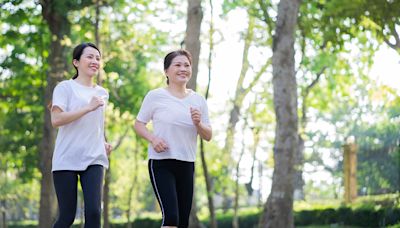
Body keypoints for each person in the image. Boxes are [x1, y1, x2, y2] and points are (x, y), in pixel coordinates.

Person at [134, 50, 212, 228]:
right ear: (166, 71)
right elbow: (139, 124)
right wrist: (153, 139)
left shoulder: (198, 100)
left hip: (187, 163)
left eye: (186, 65)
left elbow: (208, 136)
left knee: (183, 222)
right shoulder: (155, 96)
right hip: (162, 163)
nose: (183, 69)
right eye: (177, 65)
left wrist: (198, 123)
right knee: (171, 217)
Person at [50, 42, 112, 228]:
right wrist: (88, 107)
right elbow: (56, 119)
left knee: (94, 213)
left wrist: (103, 142)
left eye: (98, 58)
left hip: (94, 157)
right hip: (66, 158)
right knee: (67, 216)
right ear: (76, 62)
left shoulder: (102, 93)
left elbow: (96, 125)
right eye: (90, 57)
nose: (95, 61)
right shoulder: (64, 88)